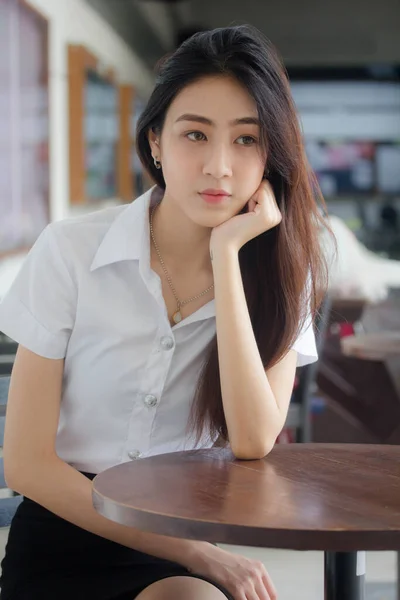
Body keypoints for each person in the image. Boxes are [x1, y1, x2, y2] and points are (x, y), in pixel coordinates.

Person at [0, 25, 330, 600]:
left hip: (181, 539)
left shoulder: (282, 275)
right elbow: (27, 464)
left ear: (272, 152)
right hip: (66, 530)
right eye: (195, 135)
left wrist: (227, 256)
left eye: (247, 140)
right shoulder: (71, 250)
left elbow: (254, 439)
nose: (219, 167)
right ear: (155, 141)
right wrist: (196, 553)